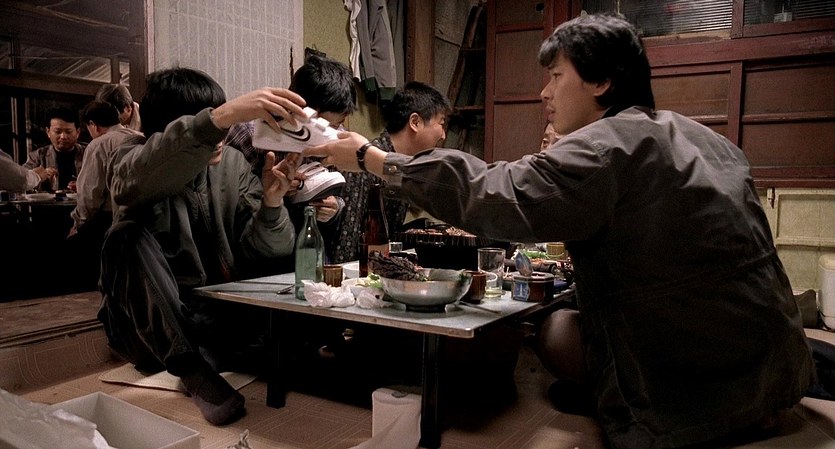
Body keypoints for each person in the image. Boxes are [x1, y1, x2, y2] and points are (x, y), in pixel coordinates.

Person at [304, 13, 815, 449]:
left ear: (601, 81)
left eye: (555, 75)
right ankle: (750, 405)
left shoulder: (605, 146)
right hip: (776, 366)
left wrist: (373, 159)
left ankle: (696, 411)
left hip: (689, 381)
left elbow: (493, 191)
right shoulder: (708, 139)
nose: (544, 92)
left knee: (557, 333)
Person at [98, 67, 306, 426]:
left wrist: (272, 205)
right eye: (208, 123)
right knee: (123, 238)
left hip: (212, 319)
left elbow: (261, 250)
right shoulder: (129, 159)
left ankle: (216, 353)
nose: (219, 137)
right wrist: (215, 121)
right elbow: (137, 179)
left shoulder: (233, 164)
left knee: (305, 242)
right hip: (146, 333)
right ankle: (193, 369)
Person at [225, 53, 357, 263]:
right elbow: (229, 210)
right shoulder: (250, 135)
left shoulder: (336, 137)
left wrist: (334, 208)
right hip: (258, 257)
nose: (330, 133)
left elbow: (339, 196)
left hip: (312, 253)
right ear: (297, 108)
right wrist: (273, 192)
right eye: (322, 126)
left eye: (336, 125)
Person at [330, 80, 451, 263]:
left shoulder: (404, 163)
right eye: (441, 123)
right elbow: (346, 242)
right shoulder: (366, 162)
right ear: (415, 122)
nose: (443, 135)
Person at [70, 100, 143, 237]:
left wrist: (79, 224)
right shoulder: (140, 137)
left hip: (109, 220)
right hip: (144, 216)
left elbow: (90, 195)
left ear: (93, 125)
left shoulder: (98, 144)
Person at [23, 108, 86, 192]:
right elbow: (21, 181)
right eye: (58, 132)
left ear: (77, 132)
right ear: (48, 132)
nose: (63, 137)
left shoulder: (89, 153)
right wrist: (37, 176)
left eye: (68, 132)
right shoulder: (37, 156)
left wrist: (84, 186)